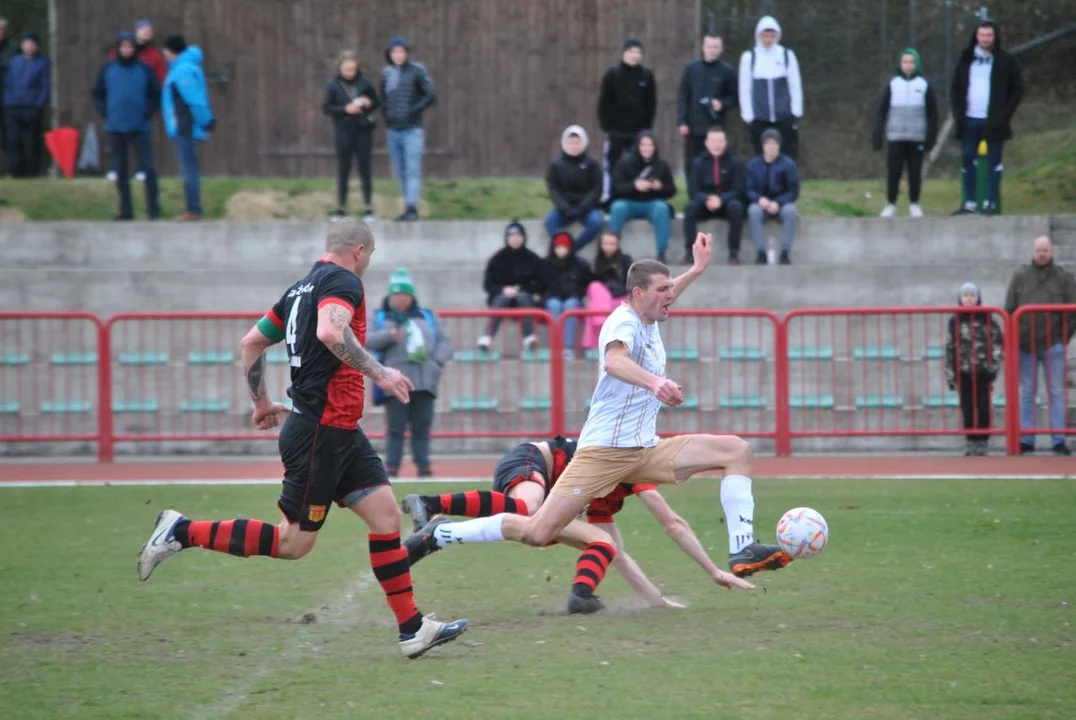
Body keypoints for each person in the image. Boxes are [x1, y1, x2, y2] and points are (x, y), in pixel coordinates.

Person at [136, 218, 469, 659]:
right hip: (319, 432)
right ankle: (181, 530)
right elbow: (331, 332)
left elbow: (251, 343)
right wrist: (382, 372)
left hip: (340, 431)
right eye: (370, 255)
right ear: (359, 250)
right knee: (293, 543)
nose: (368, 264)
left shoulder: (298, 291)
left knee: (387, 518)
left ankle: (412, 629)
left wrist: (260, 401)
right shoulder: (343, 280)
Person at [407, 235, 794, 614]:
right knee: (537, 532)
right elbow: (613, 361)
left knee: (737, 450)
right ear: (639, 294)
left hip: (644, 449)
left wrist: (696, 270)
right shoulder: (621, 322)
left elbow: (666, 289)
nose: (670, 295)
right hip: (604, 451)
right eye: (662, 290)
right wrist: (656, 382)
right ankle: (440, 534)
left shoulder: (651, 311)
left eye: (670, 289)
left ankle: (742, 549)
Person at [401, 437, 736, 612]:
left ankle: (581, 596)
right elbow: (672, 524)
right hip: (533, 460)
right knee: (528, 509)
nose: (680, 477)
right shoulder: (635, 468)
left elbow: (620, 557)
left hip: (549, 489)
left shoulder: (611, 493)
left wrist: (657, 601)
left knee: (603, 545)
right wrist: (713, 570)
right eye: (682, 471)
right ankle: (431, 505)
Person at [367, 268, 451, 478]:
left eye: (403, 294)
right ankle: (392, 467)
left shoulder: (427, 316)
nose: (399, 298)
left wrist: (436, 364)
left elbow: (444, 342)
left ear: (411, 295)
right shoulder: (379, 317)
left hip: (424, 381)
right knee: (395, 427)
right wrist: (388, 336)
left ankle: (423, 466)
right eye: (395, 294)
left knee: (422, 426)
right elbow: (365, 340)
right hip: (394, 382)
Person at [1004, 236, 1076, 455]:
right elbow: (1009, 309)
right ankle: (1026, 438)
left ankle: (1058, 439)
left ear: (1051, 252)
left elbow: (1073, 310)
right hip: (1025, 345)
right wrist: (1015, 338)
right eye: (1038, 250)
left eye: (1045, 250)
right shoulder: (1020, 276)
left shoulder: (1064, 278)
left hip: (1053, 345)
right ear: (1033, 252)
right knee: (1027, 392)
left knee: (1056, 392)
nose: (1042, 253)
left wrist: (1063, 338)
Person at [950, 20, 1023, 216]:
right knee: (967, 158)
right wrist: (959, 114)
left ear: (995, 37)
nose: (985, 39)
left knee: (993, 160)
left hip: (994, 121)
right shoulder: (966, 59)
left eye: (989, 35)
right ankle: (970, 203)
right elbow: (955, 88)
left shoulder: (1005, 60)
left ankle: (990, 202)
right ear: (976, 36)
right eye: (982, 35)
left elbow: (1017, 89)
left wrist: (1004, 114)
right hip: (969, 119)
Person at [91, 32, 161, 221]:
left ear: (135, 49)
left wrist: (146, 112)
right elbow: (97, 94)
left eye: (129, 46)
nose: (126, 50)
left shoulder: (145, 70)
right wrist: (106, 113)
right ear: (118, 49)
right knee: (121, 171)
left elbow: (155, 94)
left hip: (140, 127)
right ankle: (126, 210)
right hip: (115, 127)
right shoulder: (108, 70)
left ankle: (153, 210)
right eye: (123, 46)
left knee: (148, 168)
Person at [872, 48, 938, 218]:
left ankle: (914, 203)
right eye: (905, 62)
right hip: (896, 136)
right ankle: (891, 204)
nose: (908, 65)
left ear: (917, 64)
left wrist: (931, 137)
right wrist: (877, 133)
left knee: (915, 172)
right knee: (894, 171)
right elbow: (881, 110)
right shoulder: (893, 83)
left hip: (917, 137)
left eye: (911, 62)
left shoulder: (924, 84)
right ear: (900, 64)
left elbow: (932, 113)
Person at [380, 36, 436, 222]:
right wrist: (387, 118)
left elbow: (430, 95)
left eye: (401, 51)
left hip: (412, 129)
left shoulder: (417, 71)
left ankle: (412, 206)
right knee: (401, 170)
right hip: (393, 129)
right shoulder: (387, 74)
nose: (398, 55)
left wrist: (413, 110)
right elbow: (383, 99)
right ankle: (407, 205)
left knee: (413, 169)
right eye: (395, 52)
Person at [105, 19, 167, 184]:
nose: (147, 33)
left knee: (141, 139)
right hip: (119, 104)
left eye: (149, 31)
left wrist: (150, 105)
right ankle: (116, 168)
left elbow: (160, 80)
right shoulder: (115, 58)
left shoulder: (154, 56)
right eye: (144, 30)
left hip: (142, 102)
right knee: (117, 139)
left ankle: (142, 169)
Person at [946, 282, 1004, 456]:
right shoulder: (954, 321)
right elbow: (950, 347)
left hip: (983, 372)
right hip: (963, 372)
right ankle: (970, 441)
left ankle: (983, 441)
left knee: (984, 406)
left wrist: (992, 369)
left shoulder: (988, 318)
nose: (969, 299)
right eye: (965, 295)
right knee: (967, 408)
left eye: (972, 295)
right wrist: (951, 374)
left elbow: (997, 345)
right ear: (960, 299)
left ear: (978, 298)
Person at [597, 37, 657, 204]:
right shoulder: (612, 74)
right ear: (624, 53)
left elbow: (651, 103)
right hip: (617, 130)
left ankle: (636, 196)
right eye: (631, 51)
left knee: (637, 164)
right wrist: (607, 126)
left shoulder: (646, 75)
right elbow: (604, 102)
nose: (635, 55)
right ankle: (611, 197)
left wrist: (646, 129)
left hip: (638, 131)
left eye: (638, 52)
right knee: (613, 164)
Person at [161, 35, 214, 221]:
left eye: (165, 50)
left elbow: (194, 100)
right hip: (184, 126)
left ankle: (193, 210)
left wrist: (206, 120)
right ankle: (193, 208)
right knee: (189, 167)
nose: (164, 54)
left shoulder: (182, 71)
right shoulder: (181, 68)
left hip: (186, 126)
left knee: (188, 169)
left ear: (172, 51)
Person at [323, 50, 380, 221]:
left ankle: (368, 207)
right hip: (343, 130)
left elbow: (376, 102)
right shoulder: (333, 85)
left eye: (352, 69)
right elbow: (326, 107)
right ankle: (341, 207)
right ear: (340, 68)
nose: (349, 73)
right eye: (346, 69)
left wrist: (368, 104)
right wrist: (344, 109)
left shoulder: (364, 83)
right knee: (343, 170)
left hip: (363, 131)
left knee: (365, 169)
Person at [738, 16, 803, 161]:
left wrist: (795, 112)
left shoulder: (786, 55)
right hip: (760, 118)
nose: (768, 39)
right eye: (765, 35)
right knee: (761, 157)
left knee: (787, 156)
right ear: (758, 35)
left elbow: (795, 85)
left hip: (784, 117)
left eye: (772, 35)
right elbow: (744, 89)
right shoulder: (749, 57)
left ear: (777, 36)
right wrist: (748, 115)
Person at [608, 131, 677, 263]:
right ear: (637, 146)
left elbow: (671, 190)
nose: (647, 148)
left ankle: (661, 252)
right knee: (617, 208)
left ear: (655, 147)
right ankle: (612, 252)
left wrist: (660, 187)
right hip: (629, 202)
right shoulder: (624, 163)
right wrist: (634, 186)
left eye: (650, 145)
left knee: (662, 208)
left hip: (651, 203)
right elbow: (615, 189)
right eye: (643, 145)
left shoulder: (661, 165)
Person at [677, 33, 738, 178]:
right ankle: (694, 195)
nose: (712, 50)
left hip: (715, 126)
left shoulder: (727, 71)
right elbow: (683, 96)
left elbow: (735, 99)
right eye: (710, 46)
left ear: (721, 49)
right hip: (693, 125)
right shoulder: (691, 69)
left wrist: (721, 103)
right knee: (692, 161)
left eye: (716, 47)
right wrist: (682, 121)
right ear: (703, 48)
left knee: (716, 161)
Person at [682, 127, 745, 265]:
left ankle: (733, 253)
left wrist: (721, 200)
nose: (717, 145)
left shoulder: (735, 162)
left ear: (725, 142)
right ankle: (689, 253)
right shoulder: (698, 162)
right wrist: (706, 199)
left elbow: (739, 190)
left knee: (737, 208)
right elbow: (693, 190)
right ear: (707, 143)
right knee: (690, 209)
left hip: (726, 203)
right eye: (713, 141)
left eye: (720, 141)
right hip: (705, 203)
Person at [477, 221, 543, 352]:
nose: (515, 239)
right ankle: (487, 337)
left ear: (524, 238)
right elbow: (488, 284)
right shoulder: (497, 259)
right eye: (512, 236)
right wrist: (503, 289)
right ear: (506, 238)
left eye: (519, 236)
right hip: (502, 298)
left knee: (523, 297)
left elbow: (540, 283)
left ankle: (529, 337)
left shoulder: (533, 259)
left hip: (525, 298)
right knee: (502, 299)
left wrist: (520, 290)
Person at [544, 125, 604, 250]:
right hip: (564, 208)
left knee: (597, 223)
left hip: (586, 209)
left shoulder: (592, 164)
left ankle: (573, 248)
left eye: (577, 143)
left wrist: (584, 207)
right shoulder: (556, 164)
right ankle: (562, 245)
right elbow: (553, 188)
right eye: (571, 143)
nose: (574, 146)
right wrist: (563, 207)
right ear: (565, 143)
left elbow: (597, 188)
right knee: (549, 222)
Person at [746, 128, 800, 265]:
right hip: (761, 203)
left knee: (790, 212)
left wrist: (778, 202)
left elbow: (793, 191)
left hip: (781, 204)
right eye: (768, 144)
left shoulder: (788, 165)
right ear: (763, 145)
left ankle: (785, 252)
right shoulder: (753, 165)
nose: (771, 147)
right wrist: (759, 199)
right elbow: (748, 189)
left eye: (774, 144)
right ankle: (760, 252)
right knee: (753, 211)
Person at [3, 31, 50, 178]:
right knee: (14, 139)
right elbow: (8, 82)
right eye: (26, 43)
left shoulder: (42, 63)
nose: (29, 47)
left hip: (31, 107)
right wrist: (7, 100)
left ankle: (33, 171)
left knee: (32, 140)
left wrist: (39, 104)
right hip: (13, 106)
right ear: (22, 45)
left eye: (32, 44)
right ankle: (17, 171)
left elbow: (45, 86)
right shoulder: (14, 62)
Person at [537, 232, 591, 357]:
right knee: (554, 304)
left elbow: (586, 284)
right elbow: (541, 286)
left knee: (570, 306)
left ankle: (568, 348)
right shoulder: (545, 264)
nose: (561, 251)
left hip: (573, 298)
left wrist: (576, 293)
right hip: (552, 298)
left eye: (565, 247)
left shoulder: (579, 264)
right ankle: (556, 347)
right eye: (558, 247)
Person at [582, 230, 633, 350]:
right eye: (605, 243)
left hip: (621, 297)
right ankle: (599, 323)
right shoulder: (598, 261)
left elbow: (630, 282)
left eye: (612, 244)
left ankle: (601, 321)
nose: (608, 247)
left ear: (618, 244)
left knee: (594, 305)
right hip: (604, 299)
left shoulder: (626, 260)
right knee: (594, 288)